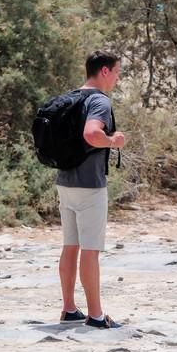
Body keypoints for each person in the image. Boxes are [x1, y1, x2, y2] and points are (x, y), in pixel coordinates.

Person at [56, 50, 125, 328]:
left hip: (65, 181)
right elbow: (91, 134)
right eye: (117, 72)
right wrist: (113, 141)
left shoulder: (71, 98)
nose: (117, 78)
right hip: (90, 184)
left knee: (70, 246)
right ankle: (96, 316)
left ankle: (69, 309)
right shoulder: (99, 101)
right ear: (105, 71)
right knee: (91, 250)